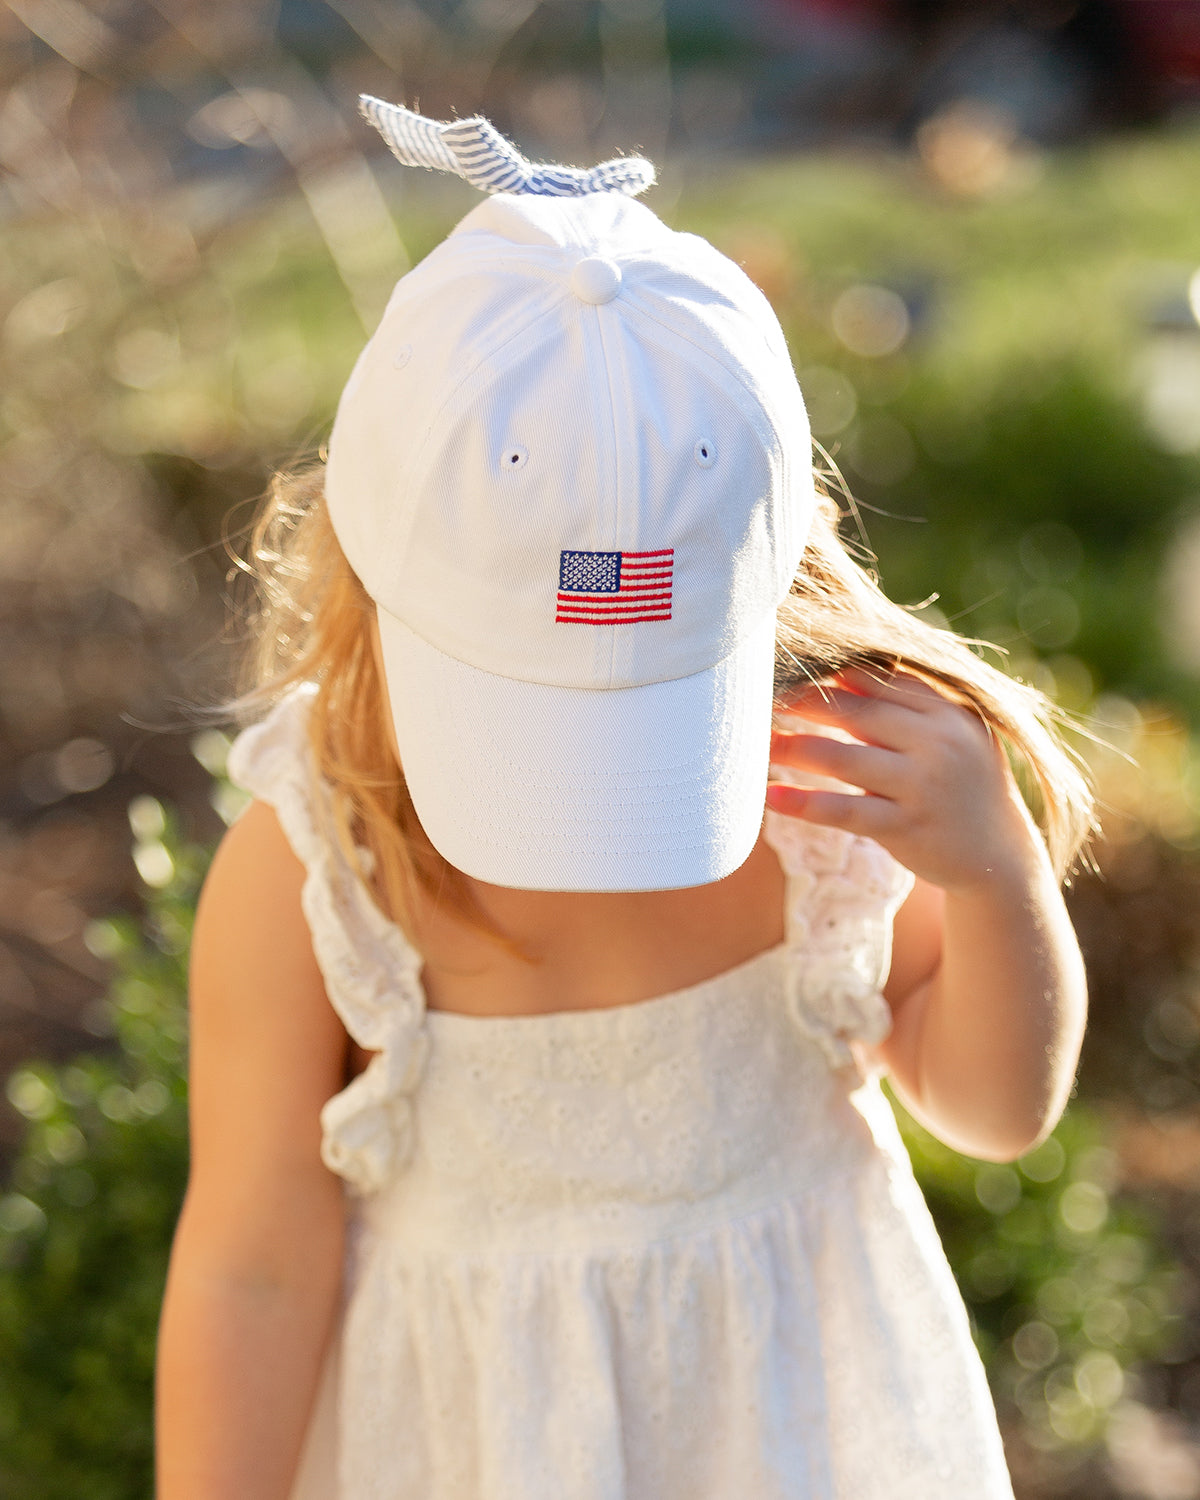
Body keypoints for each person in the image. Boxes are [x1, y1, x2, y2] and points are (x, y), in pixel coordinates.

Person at [155, 100, 1091, 1500]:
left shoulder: (836, 800)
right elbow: (252, 1269)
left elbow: (996, 1110)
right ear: (377, 563)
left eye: (650, 704)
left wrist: (995, 872)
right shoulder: (317, 867)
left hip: (803, 1445)